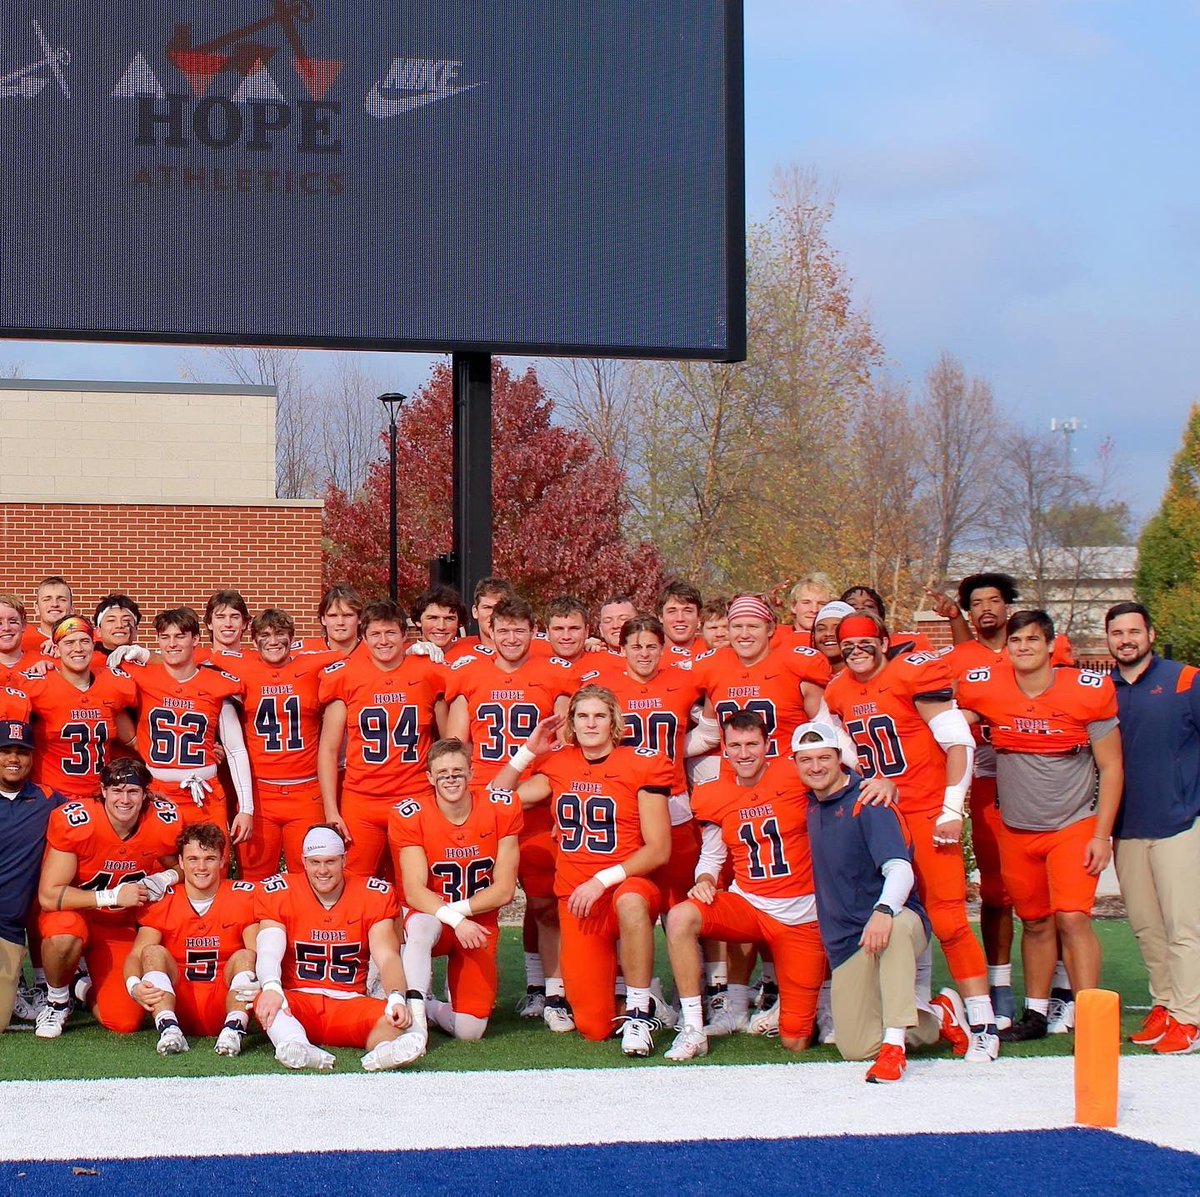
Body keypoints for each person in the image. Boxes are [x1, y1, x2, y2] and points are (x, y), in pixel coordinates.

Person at [824, 609, 999, 1061]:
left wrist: (950, 809)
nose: (858, 652)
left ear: (884, 643)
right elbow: (846, 750)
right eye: (848, 647)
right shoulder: (839, 689)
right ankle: (922, 1009)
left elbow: (959, 742)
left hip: (925, 811)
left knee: (948, 920)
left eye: (866, 644)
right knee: (900, 920)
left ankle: (982, 1021)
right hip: (882, 818)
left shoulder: (911, 675)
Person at [957, 610, 1123, 1042]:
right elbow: (950, 722)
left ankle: (1088, 1013)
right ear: (1007, 647)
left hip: (1072, 825)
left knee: (1072, 917)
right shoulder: (986, 687)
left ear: (1051, 645)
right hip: (1016, 826)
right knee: (1034, 921)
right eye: (1016, 640)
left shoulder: (1087, 690)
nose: (1024, 647)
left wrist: (1101, 835)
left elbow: (1112, 765)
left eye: (1033, 639)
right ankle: (1035, 1012)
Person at [493, 687, 674, 1055]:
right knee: (593, 1027)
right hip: (577, 900)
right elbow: (497, 798)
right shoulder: (559, 764)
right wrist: (528, 750)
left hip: (624, 885)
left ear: (613, 722)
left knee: (632, 901)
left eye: (599, 716)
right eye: (583, 716)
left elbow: (659, 850)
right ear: (571, 723)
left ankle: (639, 1010)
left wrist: (601, 879)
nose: (591, 724)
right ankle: (647, 1005)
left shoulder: (642, 763)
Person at [796, 722, 966, 1083]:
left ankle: (894, 1049)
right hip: (848, 939)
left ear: (840, 759)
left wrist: (884, 910)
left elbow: (900, 869)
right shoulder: (811, 801)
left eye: (824, 758)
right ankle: (938, 1014)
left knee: (898, 923)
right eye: (806, 760)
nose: (815, 767)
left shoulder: (868, 800)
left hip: (891, 922)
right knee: (855, 1047)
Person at [663, 712, 827, 1060]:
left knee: (796, 1040)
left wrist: (879, 783)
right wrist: (704, 880)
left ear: (768, 745)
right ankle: (693, 1028)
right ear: (724, 749)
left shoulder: (795, 774)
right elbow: (712, 855)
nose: (744, 753)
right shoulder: (713, 794)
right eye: (735, 745)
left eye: (752, 744)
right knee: (680, 917)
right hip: (750, 904)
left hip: (801, 913)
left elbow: (842, 786)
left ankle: (805, 1004)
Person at [444, 595, 574, 1019]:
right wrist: (471, 802)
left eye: (520, 630)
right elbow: (456, 747)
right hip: (480, 805)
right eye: (504, 630)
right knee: (474, 902)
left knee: (543, 904)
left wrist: (511, 797)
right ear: (490, 632)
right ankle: (461, 991)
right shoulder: (469, 675)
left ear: (533, 632)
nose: (512, 638)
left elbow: (563, 751)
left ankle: (547, 990)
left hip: (534, 799)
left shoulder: (554, 675)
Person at [1105, 601, 1200, 1054]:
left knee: (1185, 926)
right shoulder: (1103, 690)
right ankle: (1164, 1003)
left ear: (1150, 633)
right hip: (1126, 827)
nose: (1126, 640)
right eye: (1117, 633)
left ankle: (1190, 1017)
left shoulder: (1185, 680)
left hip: (1179, 822)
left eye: (1133, 631)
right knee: (1146, 926)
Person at [252, 824, 424, 1072]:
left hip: (350, 1002)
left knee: (393, 1018)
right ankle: (297, 1045)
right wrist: (270, 986)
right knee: (266, 1002)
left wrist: (396, 997)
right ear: (303, 861)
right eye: (315, 862)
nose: (322, 870)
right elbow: (269, 948)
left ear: (344, 860)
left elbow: (387, 956)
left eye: (330, 861)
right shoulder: (280, 892)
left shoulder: (372, 894)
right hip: (298, 1004)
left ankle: (384, 1052)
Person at [35, 757, 181, 1037]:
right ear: (103, 791)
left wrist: (165, 877)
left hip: (118, 928)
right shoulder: (78, 822)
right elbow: (49, 896)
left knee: (124, 1021)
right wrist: (111, 896)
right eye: (116, 790)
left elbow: (187, 867)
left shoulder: (161, 822)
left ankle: (81, 986)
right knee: (64, 932)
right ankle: (56, 1000)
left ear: (145, 794)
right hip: (76, 916)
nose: (124, 799)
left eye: (132, 791)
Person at [391, 739, 522, 1041]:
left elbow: (504, 891)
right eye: (443, 773)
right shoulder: (411, 814)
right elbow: (414, 891)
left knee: (470, 1031)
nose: (450, 779)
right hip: (431, 915)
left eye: (458, 772)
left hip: (478, 921)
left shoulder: (501, 807)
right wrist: (454, 920)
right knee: (422, 928)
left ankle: (431, 1006)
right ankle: (414, 1019)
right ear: (430, 778)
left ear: (472, 773)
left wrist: (461, 916)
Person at [318, 599, 447, 877]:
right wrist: (331, 809)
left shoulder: (429, 673)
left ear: (404, 635)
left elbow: (449, 743)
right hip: (361, 799)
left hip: (414, 796)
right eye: (375, 634)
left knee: (414, 886)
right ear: (363, 637)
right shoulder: (345, 676)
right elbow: (328, 750)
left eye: (390, 633)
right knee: (354, 883)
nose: (383, 641)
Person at [114, 608, 254, 841]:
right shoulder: (141, 676)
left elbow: (236, 750)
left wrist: (246, 808)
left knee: (210, 870)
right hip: (157, 793)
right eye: (165, 637)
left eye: (180, 636)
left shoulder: (217, 683)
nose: (172, 644)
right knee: (158, 869)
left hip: (205, 794)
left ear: (195, 639)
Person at [124, 821, 259, 1056]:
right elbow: (137, 955)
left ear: (222, 860)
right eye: (194, 858)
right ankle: (168, 1028)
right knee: (152, 952)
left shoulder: (243, 897)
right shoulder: (163, 900)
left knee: (247, 956)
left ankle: (234, 1029)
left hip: (228, 999)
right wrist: (134, 987)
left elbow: (260, 955)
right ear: (181, 862)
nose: (201, 866)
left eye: (209, 858)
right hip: (175, 1001)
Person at [608, 616, 704, 912]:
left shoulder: (685, 681)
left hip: (673, 799)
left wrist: (681, 749)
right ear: (622, 648)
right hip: (624, 804)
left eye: (652, 646)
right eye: (636, 646)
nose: (644, 653)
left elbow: (712, 727)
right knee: (629, 898)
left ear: (663, 649)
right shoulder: (604, 688)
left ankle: (701, 961)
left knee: (683, 899)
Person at [235, 608, 336, 879]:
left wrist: (416, 648)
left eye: (280, 634)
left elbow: (361, 653)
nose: (273, 641)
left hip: (306, 790)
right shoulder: (243, 665)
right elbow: (189, 655)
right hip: (261, 793)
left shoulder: (311, 664)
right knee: (254, 877)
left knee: (307, 875)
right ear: (254, 641)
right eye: (265, 635)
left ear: (291, 638)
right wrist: (140, 654)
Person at [688, 593, 831, 762]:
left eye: (753, 626)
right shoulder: (715, 667)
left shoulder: (794, 665)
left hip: (785, 777)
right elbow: (708, 735)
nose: (744, 634)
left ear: (770, 629)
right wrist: (658, 754)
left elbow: (828, 730)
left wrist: (860, 766)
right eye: (737, 626)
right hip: (734, 778)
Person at [24, 616, 138, 801]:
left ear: (93, 645)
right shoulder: (36, 685)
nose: (78, 648)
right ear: (56, 649)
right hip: (51, 797)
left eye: (84, 641)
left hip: (100, 797)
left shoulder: (113, 683)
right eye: (69, 642)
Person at [0, 720, 66, 1033]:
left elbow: (97, 814)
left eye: (21, 752)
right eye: (5, 751)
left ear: (32, 758)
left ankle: (10, 989)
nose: (14, 758)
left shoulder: (48, 799)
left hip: (7, 929)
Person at [444, 577, 515, 662]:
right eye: (487, 607)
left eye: (500, 607)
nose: (493, 614)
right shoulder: (452, 649)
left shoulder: (531, 648)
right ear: (475, 612)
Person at [293, 585, 363, 657]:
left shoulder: (373, 653)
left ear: (360, 618)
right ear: (323, 619)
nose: (340, 622)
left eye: (347, 615)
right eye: (333, 615)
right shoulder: (301, 653)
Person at [21, 577, 74, 653]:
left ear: (72, 608)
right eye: (47, 599)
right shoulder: (21, 642)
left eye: (62, 599)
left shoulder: (85, 642)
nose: (54, 604)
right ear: (37, 608)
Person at [411, 586, 468, 655]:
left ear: (458, 622)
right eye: (433, 618)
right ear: (418, 620)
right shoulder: (402, 656)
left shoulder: (471, 654)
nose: (441, 627)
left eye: (449, 619)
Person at [659, 581, 705, 659]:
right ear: (660, 617)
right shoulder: (646, 658)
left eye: (688, 611)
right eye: (672, 611)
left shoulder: (716, 652)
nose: (680, 618)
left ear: (699, 617)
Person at [810, 600, 855, 675]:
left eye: (837, 628)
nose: (828, 633)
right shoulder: (805, 677)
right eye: (821, 629)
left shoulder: (865, 676)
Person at [92, 594, 143, 659]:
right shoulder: (85, 662)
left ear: (135, 630)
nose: (119, 625)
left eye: (126, 620)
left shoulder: (148, 661)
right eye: (111, 620)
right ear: (98, 631)